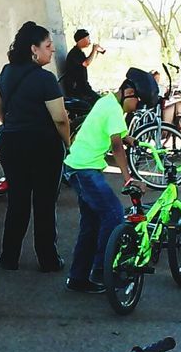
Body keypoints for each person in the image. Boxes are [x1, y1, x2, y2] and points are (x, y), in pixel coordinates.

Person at [61, 68, 157, 293]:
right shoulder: (115, 110)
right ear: (129, 92)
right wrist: (128, 180)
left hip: (77, 167)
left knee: (92, 224)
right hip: (85, 170)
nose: (138, 108)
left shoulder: (108, 103)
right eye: (139, 102)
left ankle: (78, 278)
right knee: (113, 213)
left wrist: (127, 137)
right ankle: (101, 271)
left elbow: (113, 133)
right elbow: (116, 147)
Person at [0, 21, 72, 272]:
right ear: (33, 49)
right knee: (44, 204)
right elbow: (60, 118)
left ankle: (9, 257)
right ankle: (47, 259)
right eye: (48, 46)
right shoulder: (45, 79)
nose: (52, 51)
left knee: (17, 201)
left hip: (12, 145)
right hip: (44, 148)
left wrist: (13, 124)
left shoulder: (6, 72)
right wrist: (68, 144)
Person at [61, 28, 103, 105]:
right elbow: (86, 63)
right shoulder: (74, 53)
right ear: (81, 39)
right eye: (87, 38)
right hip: (77, 90)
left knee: (100, 101)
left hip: (83, 88)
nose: (89, 41)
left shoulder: (79, 52)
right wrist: (94, 50)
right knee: (99, 103)